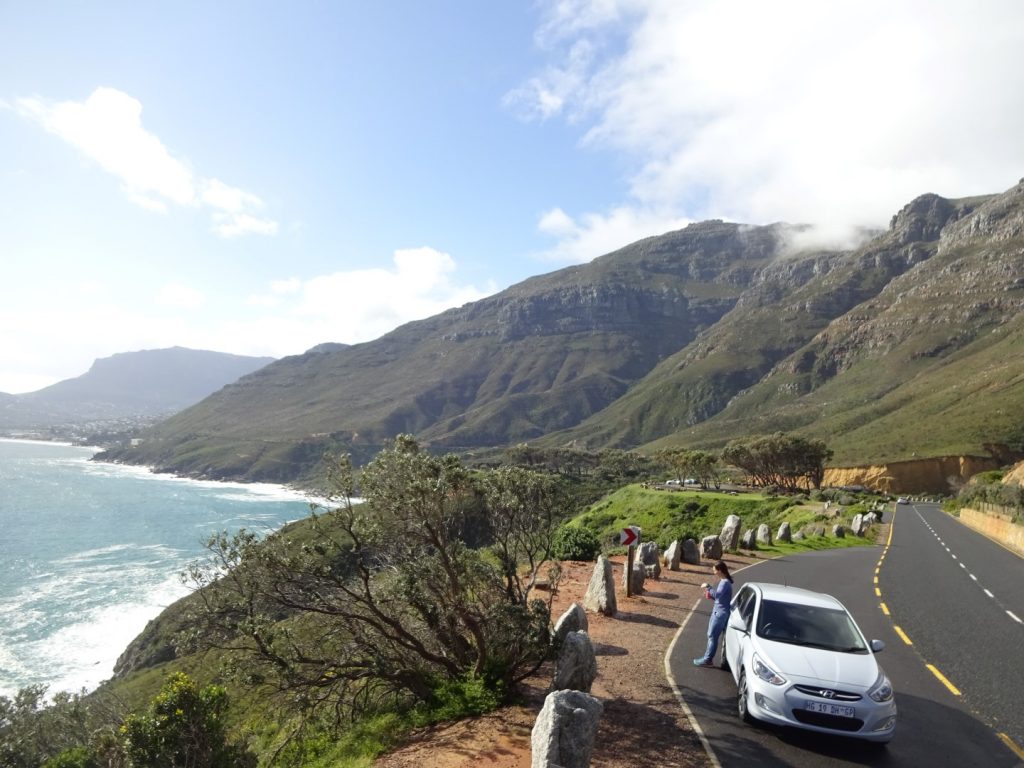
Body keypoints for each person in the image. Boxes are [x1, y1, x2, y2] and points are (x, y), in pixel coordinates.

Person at [693, 560, 734, 667]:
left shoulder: (724, 583)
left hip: (720, 614)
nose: (714, 572)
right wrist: (711, 594)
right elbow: (720, 598)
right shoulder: (725, 582)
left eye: (715, 570)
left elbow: (717, 595)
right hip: (719, 611)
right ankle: (708, 659)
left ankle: (707, 660)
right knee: (711, 635)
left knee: (712, 636)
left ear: (720, 570)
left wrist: (708, 587)